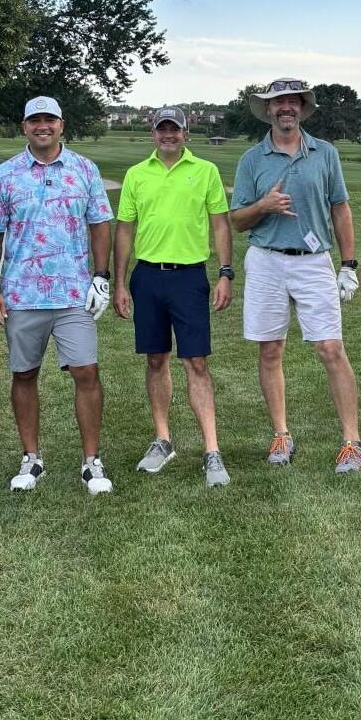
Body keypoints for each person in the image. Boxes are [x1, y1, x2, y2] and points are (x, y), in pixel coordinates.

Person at [0, 96, 115, 495]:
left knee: (86, 371)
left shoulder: (84, 169)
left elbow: (100, 223)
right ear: (25, 127)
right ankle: (31, 457)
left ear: (61, 125)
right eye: (35, 120)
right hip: (22, 293)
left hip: (73, 292)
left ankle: (91, 461)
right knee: (24, 374)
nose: (43, 126)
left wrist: (101, 276)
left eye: (50, 120)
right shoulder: (6, 175)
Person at [229, 78, 361, 473]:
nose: (286, 108)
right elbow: (237, 220)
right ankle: (281, 434)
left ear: (303, 109)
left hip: (313, 260)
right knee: (270, 349)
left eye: (293, 102)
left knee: (330, 348)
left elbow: (340, 209)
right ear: (268, 110)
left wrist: (348, 264)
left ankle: (352, 441)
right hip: (266, 260)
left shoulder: (325, 153)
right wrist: (264, 206)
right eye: (278, 102)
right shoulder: (252, 158)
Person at [113, 108, 234, 489]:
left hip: (189, 277)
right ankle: (163, 440)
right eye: (162, 129)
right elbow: (125, 230)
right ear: (153, 134)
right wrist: (119, 283)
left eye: (174, 129)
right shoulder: (137, 174)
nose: (168, 135)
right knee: (155, 358)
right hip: (148, 276)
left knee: (196, 361)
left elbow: (220, 224)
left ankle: (211, 449)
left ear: (185, 134)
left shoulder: (206, 171)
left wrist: (225, 272)